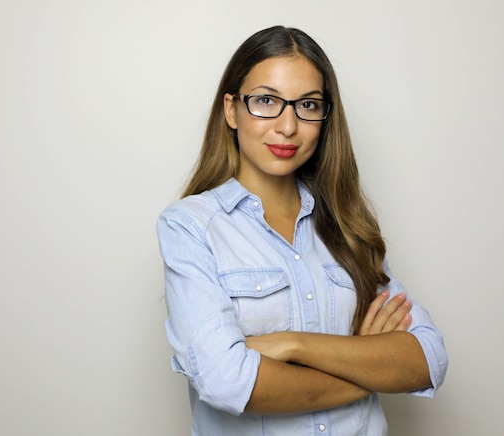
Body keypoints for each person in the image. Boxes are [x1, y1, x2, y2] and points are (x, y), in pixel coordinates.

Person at [156, 25, 447, 435]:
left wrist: (293, 344)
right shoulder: (190, 227)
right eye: (266, 101)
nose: (288, 126)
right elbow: (227, 382)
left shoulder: (347, 227)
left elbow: (428, 358)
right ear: (231, 110)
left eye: (308, 105)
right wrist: (368, 363)